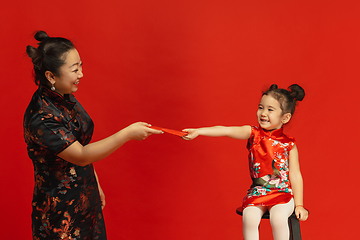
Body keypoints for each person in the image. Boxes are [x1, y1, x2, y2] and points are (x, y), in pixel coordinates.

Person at [24, 30, 163, 240]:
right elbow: (80, 154)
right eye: (74, 69)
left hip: (86, 199)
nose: (81, 74)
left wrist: (94, 181)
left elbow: (78, 141)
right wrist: (127, 134)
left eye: (81, 65)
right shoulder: (41, 116)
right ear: (51, 76)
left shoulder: (64, 96)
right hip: (60, 211)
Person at [182, 84, 309, 240]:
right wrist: (199, 131)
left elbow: (295, 175)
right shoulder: (253, 134)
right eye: (261, 107)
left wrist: (299, 205)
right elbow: (226, 130)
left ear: (285, 117)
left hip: (283, 194)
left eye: (270, 109)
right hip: (258, 193)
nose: (263, 113)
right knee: (249, 216)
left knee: (278, 218)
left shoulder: (289, 144)